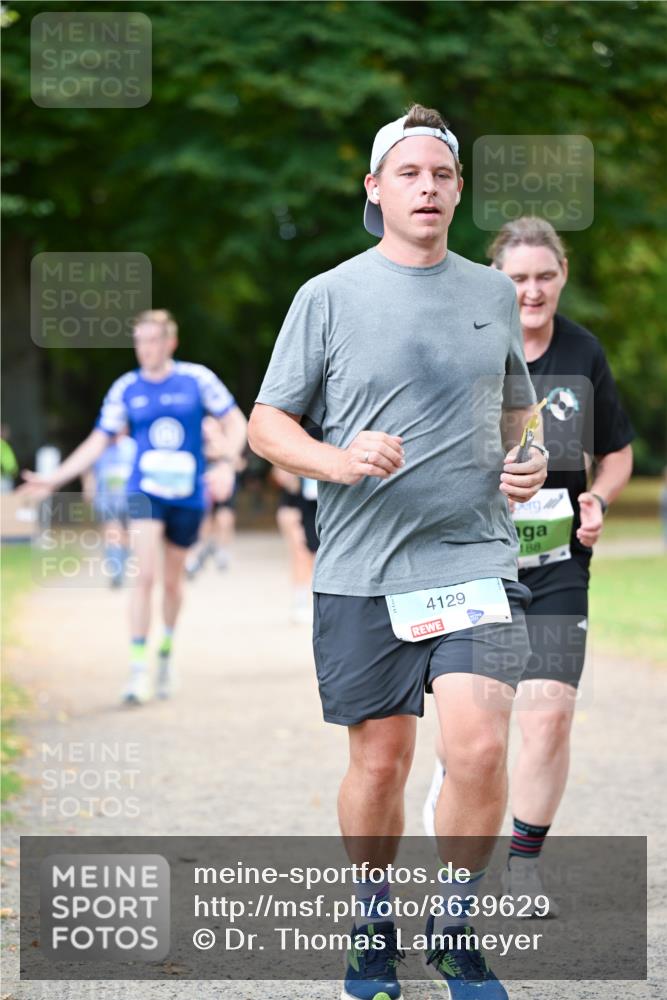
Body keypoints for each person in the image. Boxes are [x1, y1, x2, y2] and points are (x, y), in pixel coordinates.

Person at [248, 105, 547, 1000]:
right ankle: (370, 917)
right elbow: (266, 423)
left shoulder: (490, 293)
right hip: (362, 570)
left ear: (457, 191)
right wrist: (336, 459)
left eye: (442, 175)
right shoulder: (327, 295)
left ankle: (454, 928)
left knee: (481, 747)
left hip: (472, 558)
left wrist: (524, 461)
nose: (427, 187)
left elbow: (512, 413)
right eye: (409, 174)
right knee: (379, 762)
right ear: (375, 189)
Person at [423, 217, 634, 913]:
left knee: (548, 714)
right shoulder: (468, 346)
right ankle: (455, 777)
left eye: (544, 275)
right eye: (517, 278)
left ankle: (522, 865)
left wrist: (597, 498)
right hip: (477, 561)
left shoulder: (582, 351)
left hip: (555, 565)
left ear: (562, 275)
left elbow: (616, 451)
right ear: (495, 280)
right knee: (483, 718)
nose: (532, 290)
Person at [20, 310, 247, 704]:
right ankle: (138, 667)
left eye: (153, 340)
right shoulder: (126, 387)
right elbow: (98, 440)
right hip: (144, 493)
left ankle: (166, 651)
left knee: (174, 583)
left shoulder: (197, 380)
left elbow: (236, 422)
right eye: (139, 341)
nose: (145, 348)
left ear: (170, 343)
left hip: (189, 495)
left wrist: (227, 462)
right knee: (144, 576)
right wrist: (56, 479)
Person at [185, 416, 246, 578]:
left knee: (224, 517)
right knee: (203, 520)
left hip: (225, 485)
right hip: (204, 486)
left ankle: (222, 550)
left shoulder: (228, 442)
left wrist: (222, 453)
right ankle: (199, 551)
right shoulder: (197, 443)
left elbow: (240, 463)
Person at [82, 431, 137, 588]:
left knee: (127, 536)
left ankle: (122, 566)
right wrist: (88, 485)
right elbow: (87, 467)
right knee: (112, 533)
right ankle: (116, 572)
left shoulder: (132, 447)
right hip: (106, 499)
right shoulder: (99, 446)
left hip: (130, 500)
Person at [272, 466, 319, 623]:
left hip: (320, 504)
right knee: (299, 553)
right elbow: (278, 471)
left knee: (315, 557)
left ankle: (313, 602)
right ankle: (300, 602)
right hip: (296, 504)